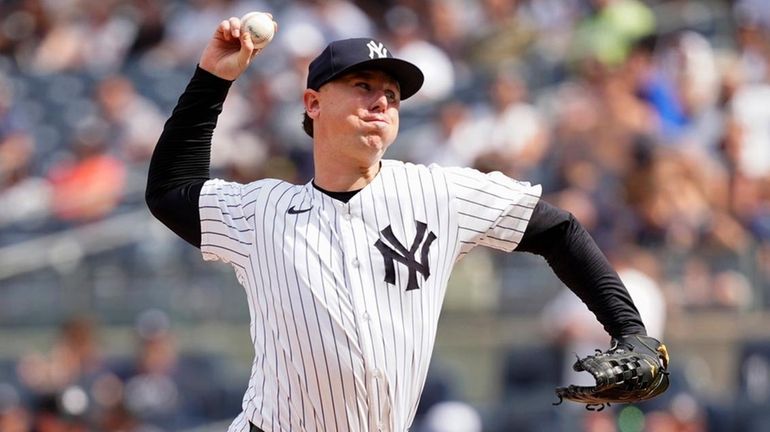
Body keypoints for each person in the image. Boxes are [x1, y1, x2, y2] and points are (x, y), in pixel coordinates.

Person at [146, 13, 657, 432]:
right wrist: (215, 77)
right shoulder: (263, 212)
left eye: (391, 93)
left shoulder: (438, 192)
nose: (382, 101)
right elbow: (170, 193)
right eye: (362, 85)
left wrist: (629, 330)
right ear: (313, 103)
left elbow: (557, 229)